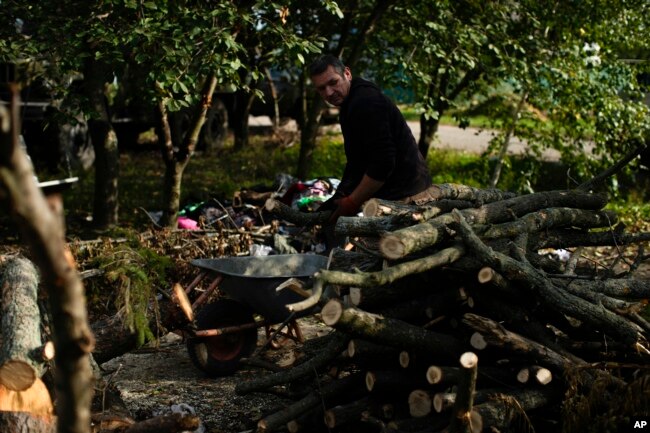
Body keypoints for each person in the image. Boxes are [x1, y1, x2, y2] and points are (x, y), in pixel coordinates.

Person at [309, 54, 433, 225]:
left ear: (347, 73)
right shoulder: (349, 103)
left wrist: (352, 202)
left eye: (333, 82)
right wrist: (340, 196)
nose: (329, 92)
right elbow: (357, 162)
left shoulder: (365, 102)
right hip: (397, 188)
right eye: (322, 88)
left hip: (408, 195)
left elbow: (383, 163)